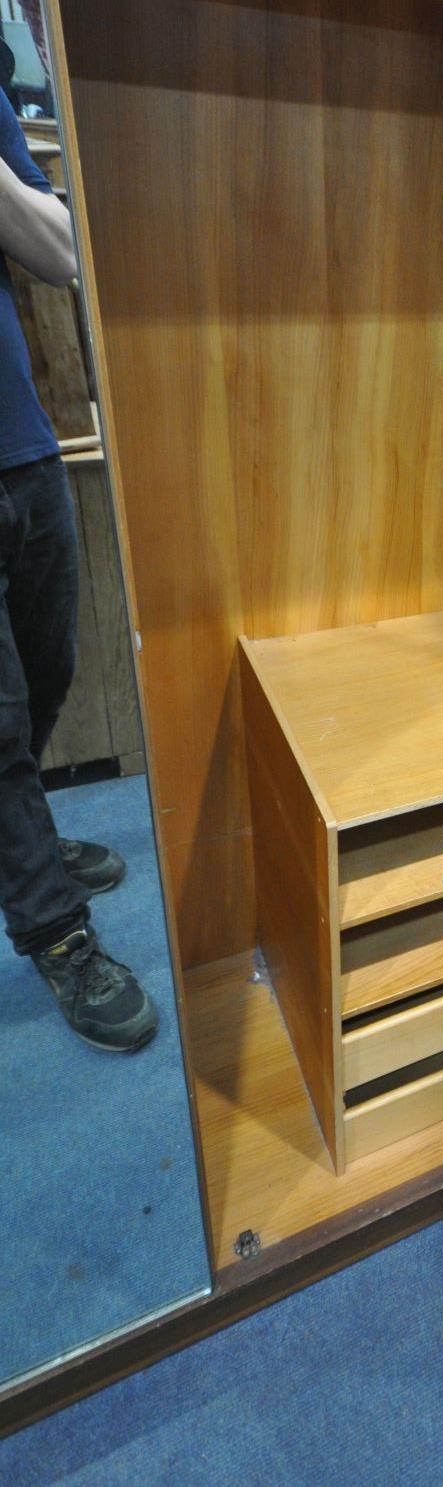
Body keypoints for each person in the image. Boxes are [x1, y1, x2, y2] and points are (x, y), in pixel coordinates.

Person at [0, 84, 157, 1051]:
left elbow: (60, 253)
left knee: (50, 666)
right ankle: (56, 930)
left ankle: (25, 847)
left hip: (21, 442)